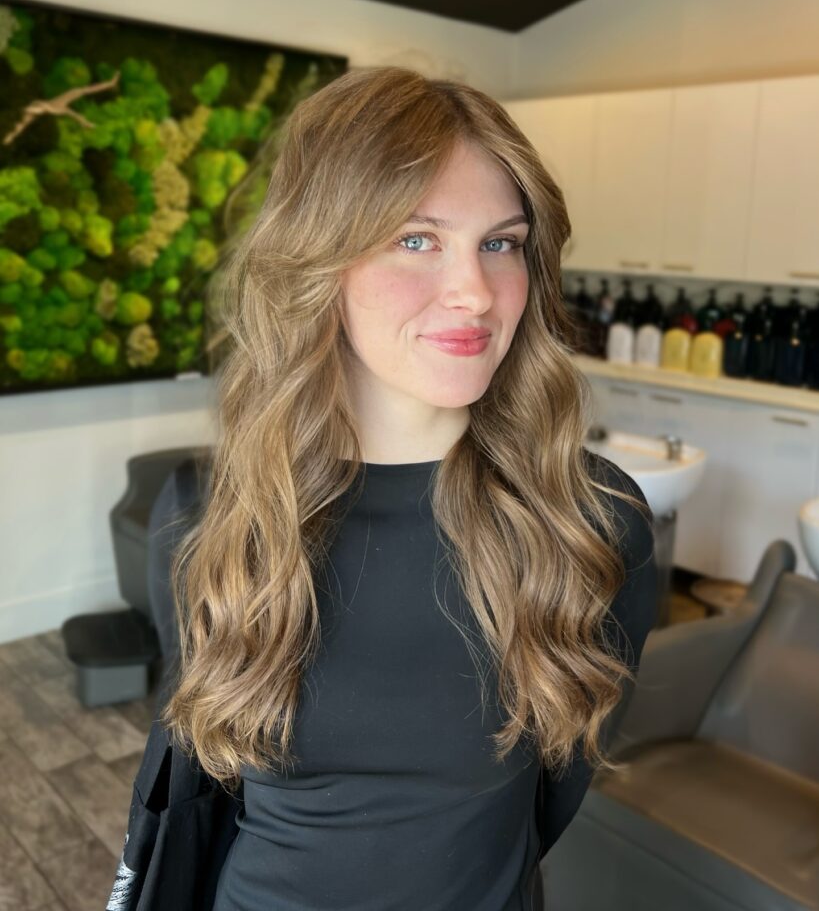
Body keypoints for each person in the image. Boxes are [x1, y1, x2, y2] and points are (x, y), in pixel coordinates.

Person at [150, 65, 659, 911]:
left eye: (501, 243)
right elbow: (209, 780)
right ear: (319, 260)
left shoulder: (588, 521)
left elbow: (551, 795)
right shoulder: (210, 514)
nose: (474, 293)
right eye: (416, 239)